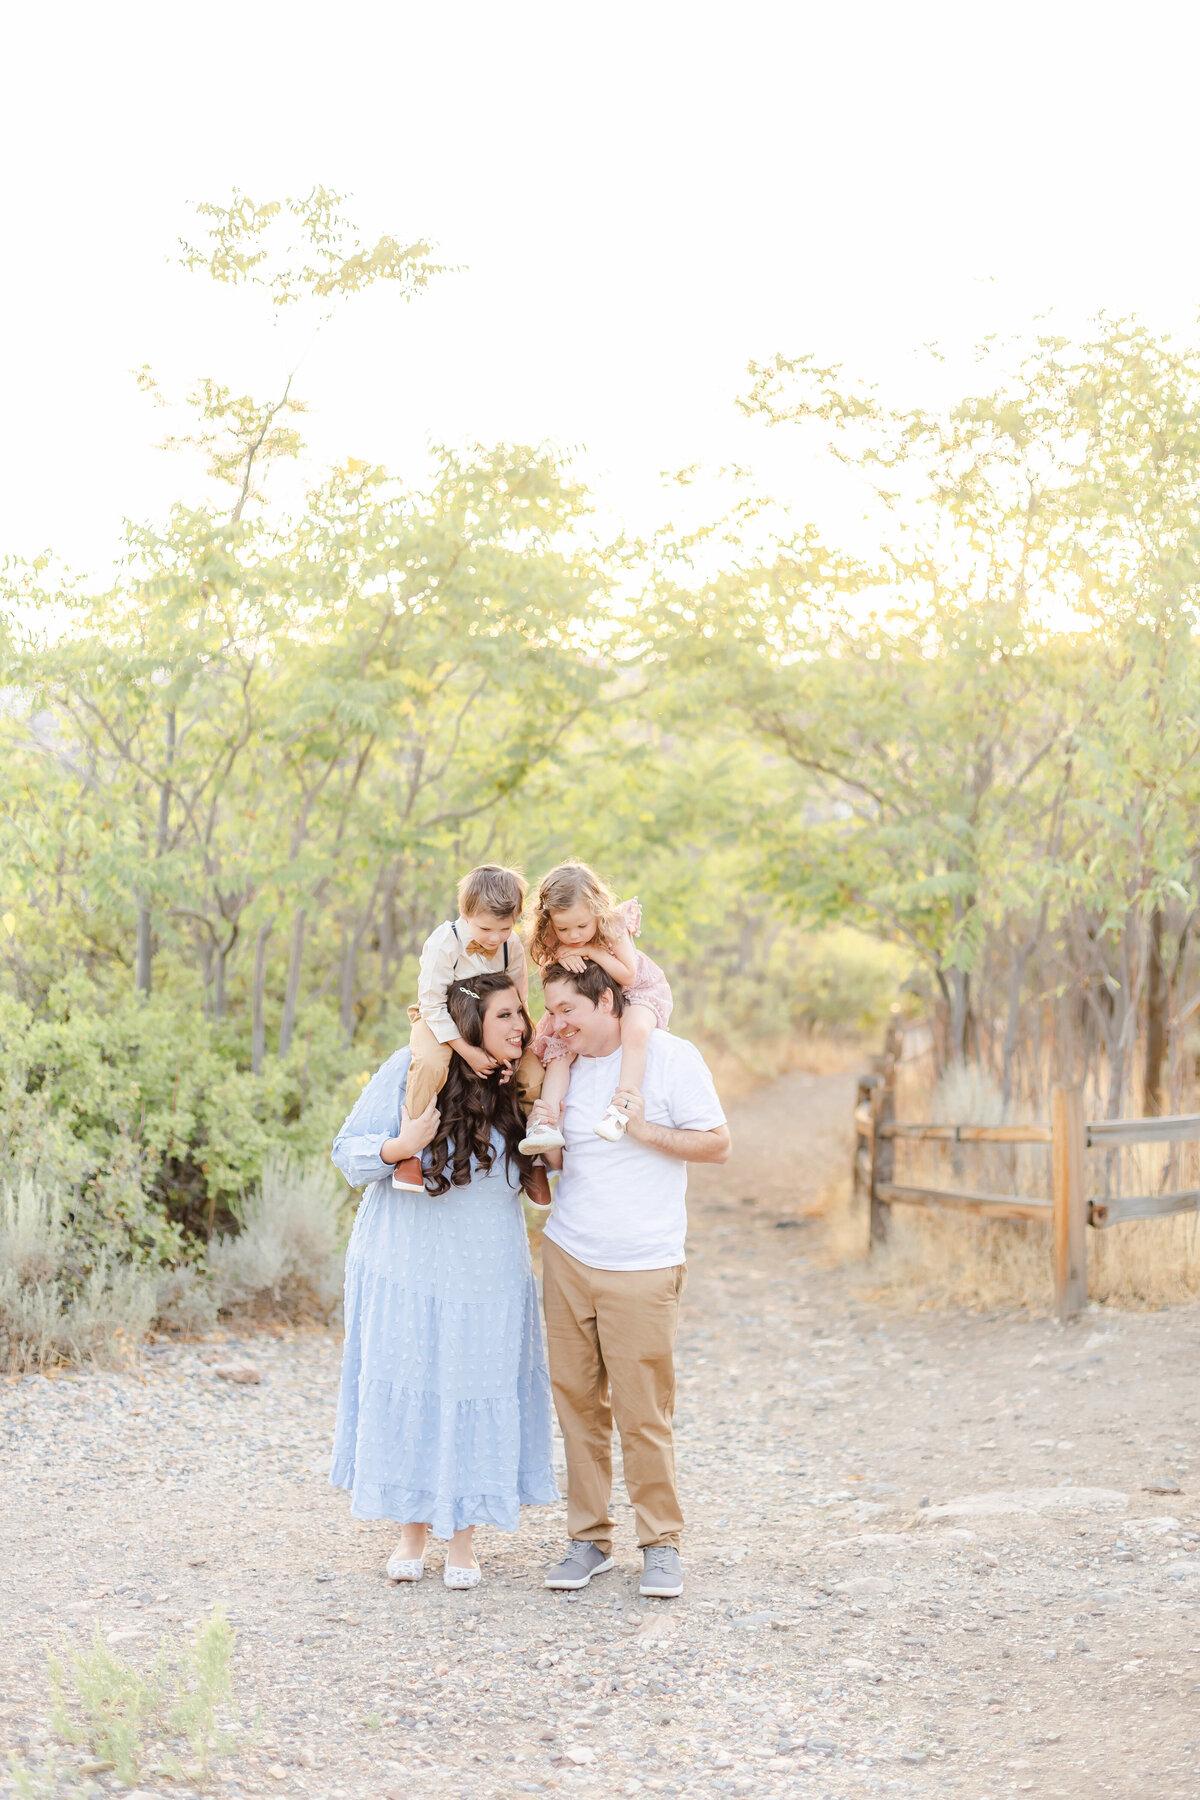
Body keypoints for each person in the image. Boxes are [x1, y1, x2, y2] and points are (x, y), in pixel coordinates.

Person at [329, 972, 558, 1590]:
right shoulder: (412, 1069)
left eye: (522, 1015)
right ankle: (410, 1533)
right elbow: (346, 1152)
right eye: (507, 1015)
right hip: (407, 1261)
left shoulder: (520, 1084)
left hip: (486, 1268)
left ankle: (463, 1539)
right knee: (412, 1378)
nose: (520, 1026)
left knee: (476, 1383)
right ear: (471, 1020)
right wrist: (399, 1145)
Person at [535, 961, 730, 1599]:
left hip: (643, 1264)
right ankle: (587, 1540)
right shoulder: (563, 1067)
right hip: (567, 1256)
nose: (556, 1024)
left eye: (568, 1011)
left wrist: (641, 1127)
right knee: (578, 1407)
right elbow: (561, 1158)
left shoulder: (669, 1059)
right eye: (552, 1011)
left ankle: (661, 1546)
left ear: (609, 1001)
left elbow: (717, 1145)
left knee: (644, 1413)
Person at [393, 862, 550, 1206]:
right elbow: (431, 1004)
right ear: (465, 914)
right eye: (485, 928)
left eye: (504, 929)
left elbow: (518, 1000)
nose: (494, 938)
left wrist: (511, 1049)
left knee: (535, 1073)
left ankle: (534, 1155)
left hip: (494, 1020)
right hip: (440, 1019)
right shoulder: (443, 943)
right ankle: (410, 1150)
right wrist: (468, 1051)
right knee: (432, 1063)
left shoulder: (512, 947)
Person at [520, 860, 673, 1152]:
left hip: (636, 990)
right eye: (564, 929)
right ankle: (547, 1122)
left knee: (635, 1031)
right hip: (591, 999)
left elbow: (629, 974)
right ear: (550, 920)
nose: (574, 936)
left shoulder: (612, 924)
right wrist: (559, 959)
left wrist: (591, 951)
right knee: (557, 1049)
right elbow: (550, 976)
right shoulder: (554, 933)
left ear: (596, 910)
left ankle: (622, 1107)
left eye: (582, 926)